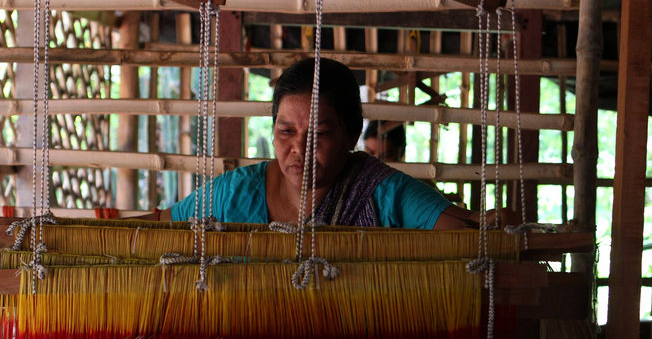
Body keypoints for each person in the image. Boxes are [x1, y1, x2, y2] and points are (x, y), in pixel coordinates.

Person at [149, 57, 518, 230]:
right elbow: (158, 228)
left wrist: (490, 223)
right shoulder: (234, 196)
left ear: (351, 135)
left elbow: (465, 230)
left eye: (320, 135)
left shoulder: (381, 192)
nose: (299, 150)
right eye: (286, 132)